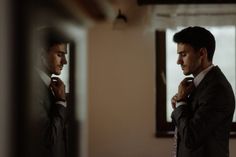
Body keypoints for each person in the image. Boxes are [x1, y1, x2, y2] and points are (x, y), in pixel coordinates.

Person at [171, 26, 235, 157]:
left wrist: (181, 103)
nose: (178, 61)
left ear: (202, 53)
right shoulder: (200, 85)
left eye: (183, 54)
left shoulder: (217, 89)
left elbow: (190, 138)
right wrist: (180, 105)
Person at [29, 28, 69, 157]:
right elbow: (48, 138)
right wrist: (61, 103)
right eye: (59, 54)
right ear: (41, 54)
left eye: (65, 56)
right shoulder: (32, 89)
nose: (65, 62)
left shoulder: (51, 87)